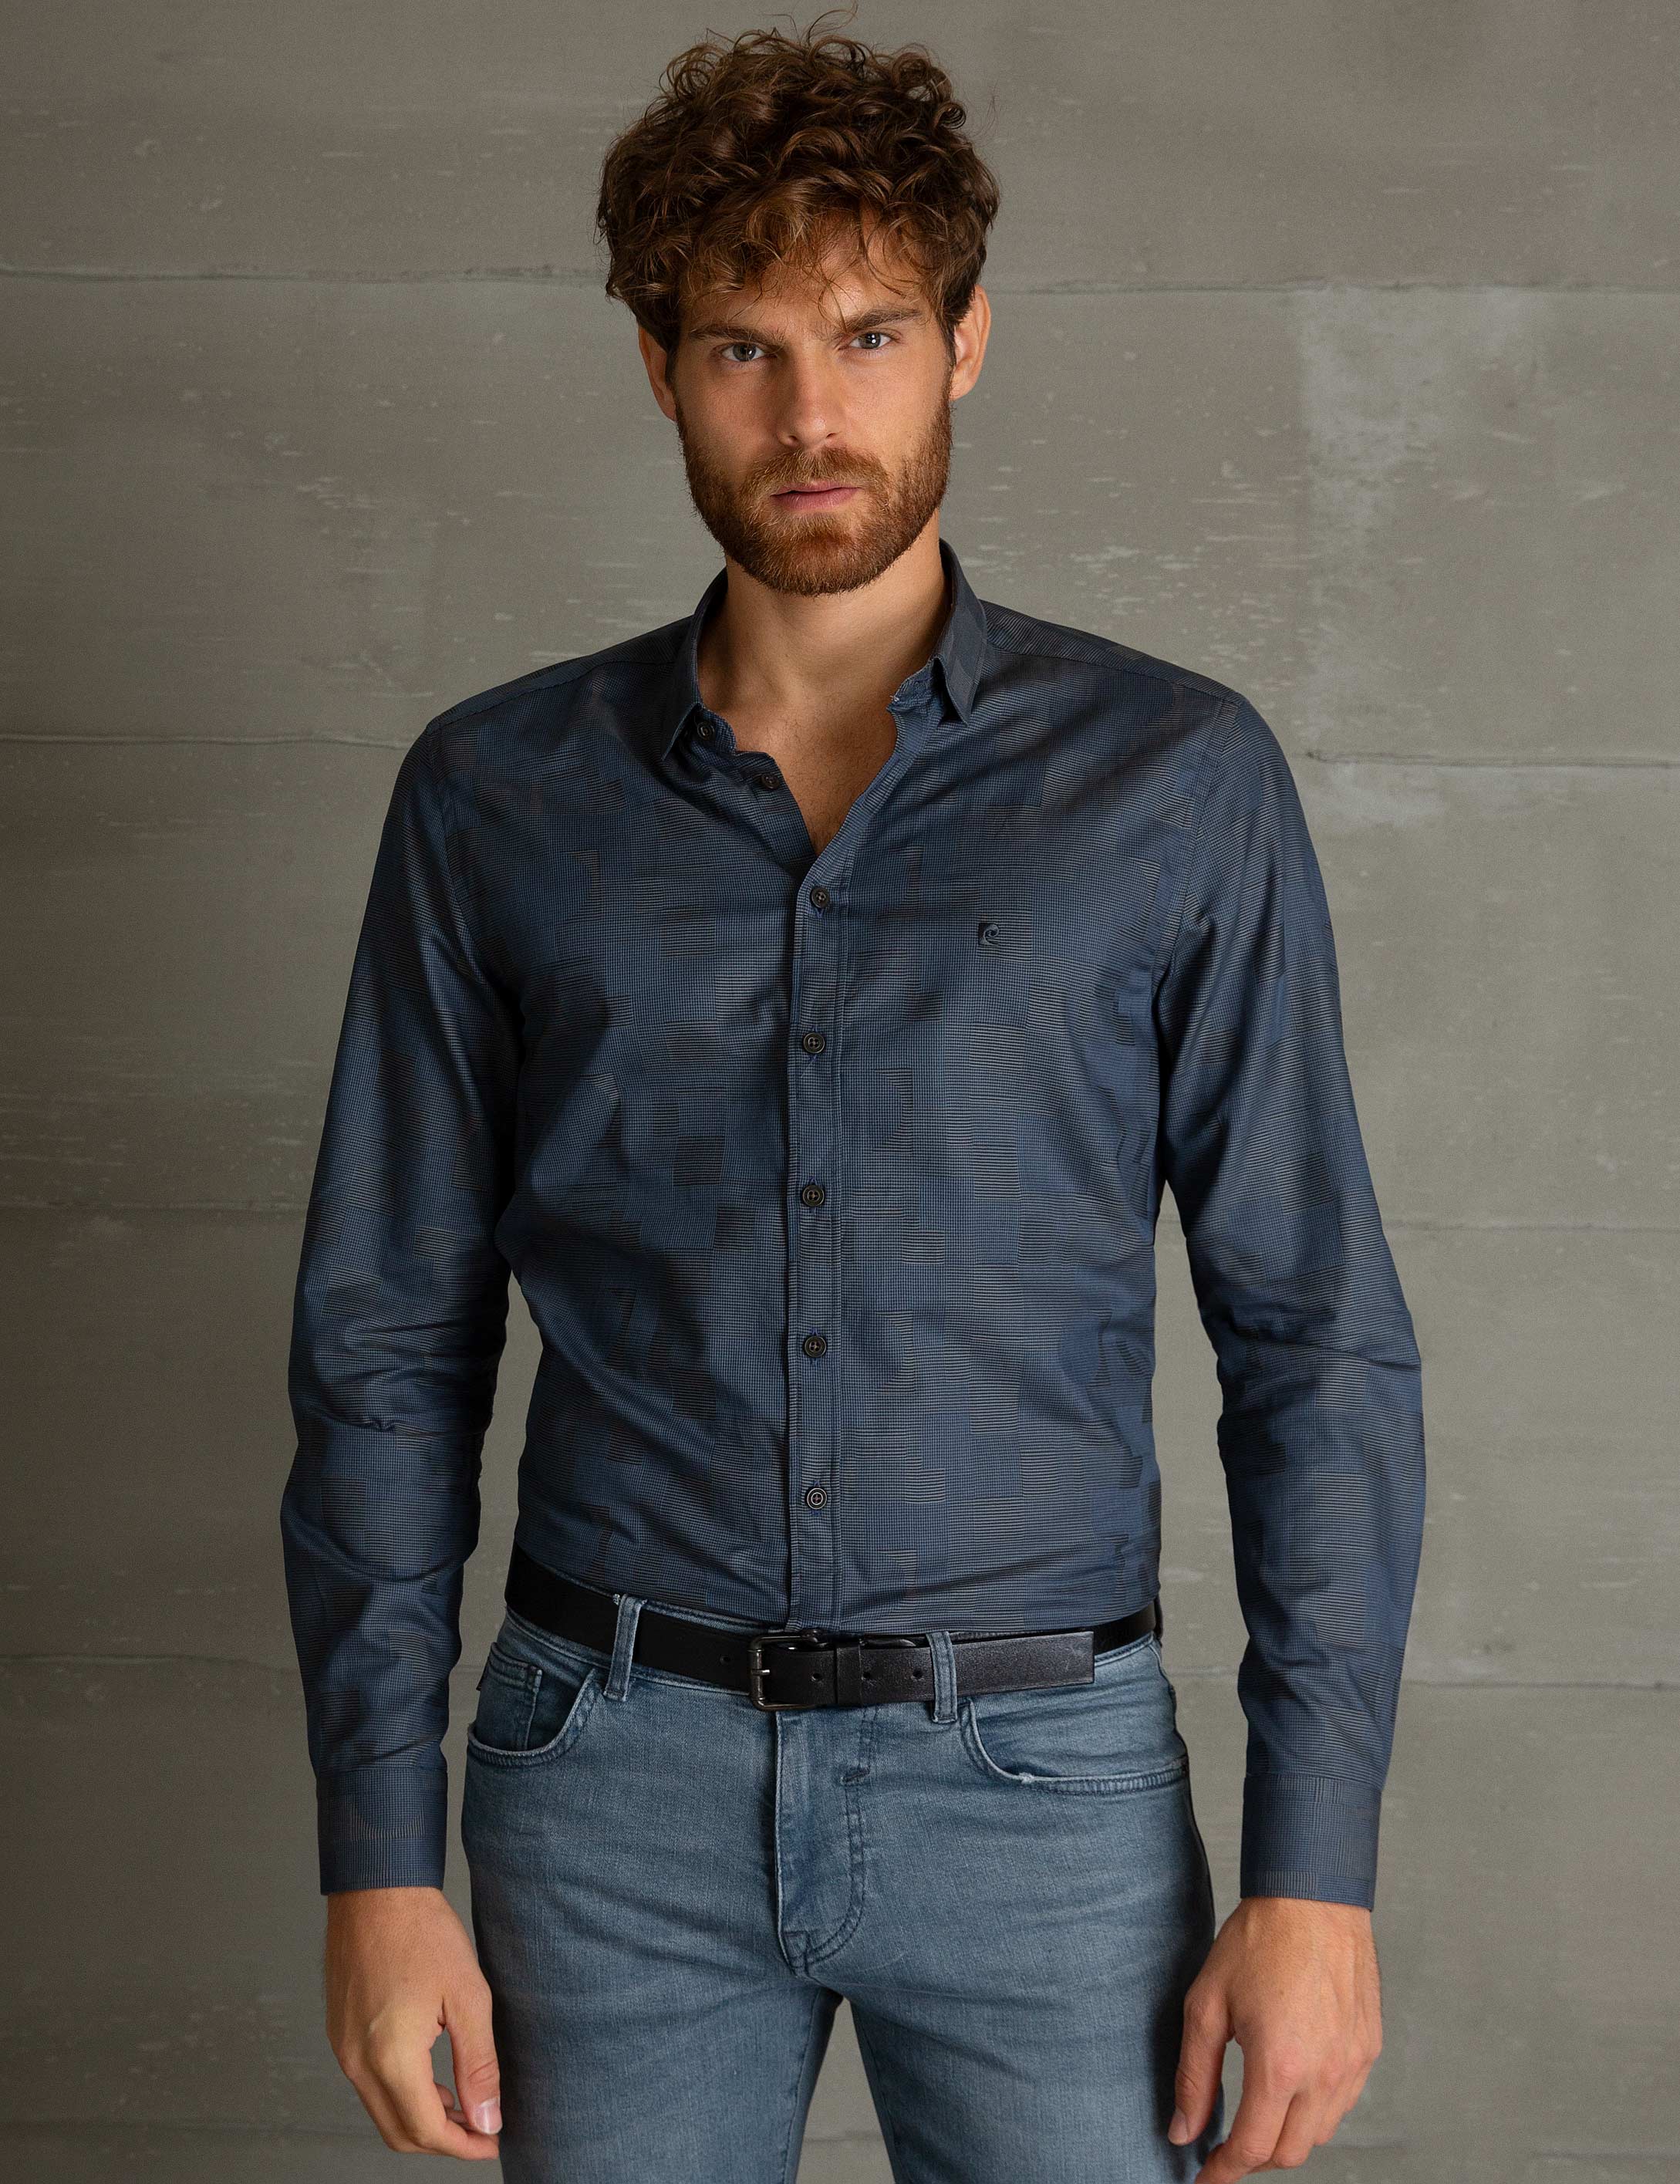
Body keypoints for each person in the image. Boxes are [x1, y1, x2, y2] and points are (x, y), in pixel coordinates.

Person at [280, 19, 1425, 2182]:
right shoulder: (494, 797)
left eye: (870, 336)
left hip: (1047, 1796)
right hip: (601, 1788)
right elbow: (384, 1341)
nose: (813, 416)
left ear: (965, 340)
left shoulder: (1174, 784)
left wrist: (1317, 1874)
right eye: (745, 349)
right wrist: (378, 1852)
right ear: (657, 368)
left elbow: (1313, 1339)